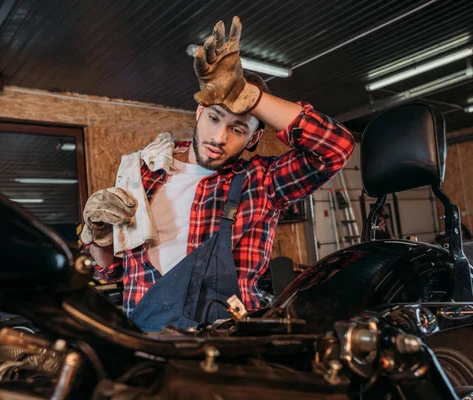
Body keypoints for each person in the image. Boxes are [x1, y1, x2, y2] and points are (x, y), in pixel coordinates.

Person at [81, 17, 354, 332]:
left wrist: (253, 97)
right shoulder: (143, 173)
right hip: (145, 344)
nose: (219, 137)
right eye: (214, 118)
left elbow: (335, 148)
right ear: (199, 112)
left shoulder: (262, 182)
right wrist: (100, 236)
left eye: (237, 128)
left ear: (252, 139)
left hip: (226, 347)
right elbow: (112, 272)